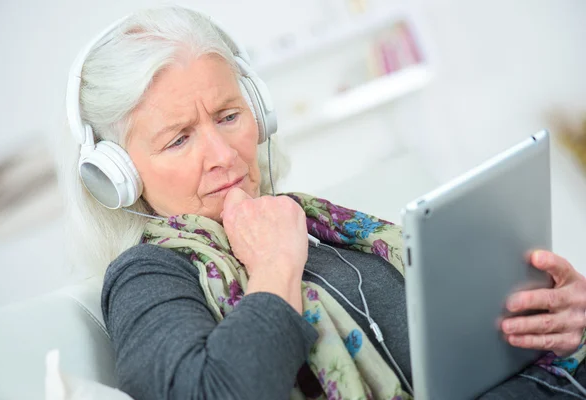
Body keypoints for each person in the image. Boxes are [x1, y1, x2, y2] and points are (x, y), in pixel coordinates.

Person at [60, 5, 586, 399]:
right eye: (178, 139)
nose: (223, 154)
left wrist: (561, 322)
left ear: (259, 113)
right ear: (118, 177)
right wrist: (273, 267)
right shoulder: (147, 275)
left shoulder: (317, 223)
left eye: (228, 116)